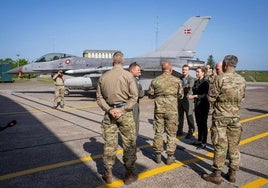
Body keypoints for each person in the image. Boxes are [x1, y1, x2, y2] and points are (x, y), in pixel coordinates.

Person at [96, 51, 138, 185]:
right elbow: (134, 97)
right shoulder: (128, 76)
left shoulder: (103, 77)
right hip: (125, 113)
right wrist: (123, 109)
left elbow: (99, 98)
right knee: (129, 143)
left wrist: (110, 109)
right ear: (123, 61)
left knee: (109, 144)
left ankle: (108, 174)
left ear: (112, 61)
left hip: (109, 113)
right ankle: (129, 175)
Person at [203, 55, 246, 184]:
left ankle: (216, 175)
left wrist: (221, 107)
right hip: (235, 117)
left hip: (221, 117)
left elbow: (211, 98)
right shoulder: (242, 80)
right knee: (233, 145)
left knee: (220, 145)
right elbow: (242, 98)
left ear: (226, 65)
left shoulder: (219, 79)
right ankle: (232, 174)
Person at [148, 61, 183, 165]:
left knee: (158, 132)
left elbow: (150, 95)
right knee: (171, 134)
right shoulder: (177, 81)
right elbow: (181, 95)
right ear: (171, 69)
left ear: (162, 69)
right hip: (172, 111)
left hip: (159, 110)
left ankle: (158, 155)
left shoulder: (155, 81)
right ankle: (170, 156)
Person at [188, 66, 210, 150]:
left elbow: (205, 94)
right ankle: (199, 140)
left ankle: (204, 142)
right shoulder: (196, 81)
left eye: (198, 72)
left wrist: (194, 96)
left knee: (203, 124)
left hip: (203, 105)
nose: (196, 73)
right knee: (198, 123)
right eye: (196, 72)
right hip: (197, 104)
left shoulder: (205, 82)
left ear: (203, 73)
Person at [129, 62, 145, 152]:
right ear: (132, 70)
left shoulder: (127, 78)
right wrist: (142, 91)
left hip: (128, 104)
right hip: (134, 105)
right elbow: (139, 93)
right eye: (138, 70)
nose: (140, 72)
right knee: (134, 126)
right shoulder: (134, 80)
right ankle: (132, 146)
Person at [177, 64, 195, 139]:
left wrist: (180, 87)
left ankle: (191, 131)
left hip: (188, 101)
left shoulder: (191, 79)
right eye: (183, 69)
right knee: (180, 117)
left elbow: (188, 87)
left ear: (188, 71)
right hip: (180, 100)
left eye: (186, 70)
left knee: (189, 116)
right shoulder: (179, 78)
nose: (184, 71)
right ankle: (179, 130)